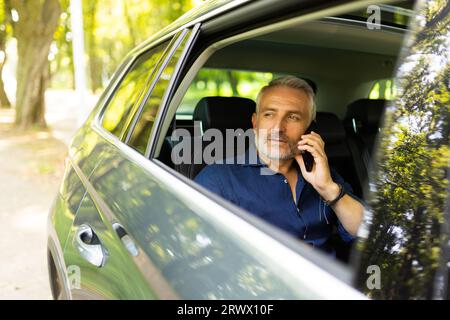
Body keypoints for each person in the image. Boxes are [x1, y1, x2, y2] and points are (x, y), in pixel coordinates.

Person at [194, 75, 364, 255]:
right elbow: (198, 250)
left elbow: (364, 231)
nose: (278, 127)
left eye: (293, 117)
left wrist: (328, 188)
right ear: (255, 122)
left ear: (309, 129)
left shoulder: (322, 174)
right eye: (269, 114)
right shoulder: (218, 179)